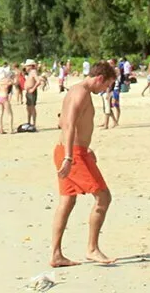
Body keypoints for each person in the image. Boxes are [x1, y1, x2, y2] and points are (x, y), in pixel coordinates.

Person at [51, 60, 118, 268]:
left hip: (73, 150)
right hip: (73, 155)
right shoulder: (80, 92)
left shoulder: (78, 91)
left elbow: (62, 121)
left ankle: (56, 255)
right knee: (103, 197)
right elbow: (69, 124)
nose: (106, 89)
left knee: (67, 201)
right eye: (107, 85)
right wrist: (70, 157)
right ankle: (92, 249)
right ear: (99, 78)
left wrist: (84, 147)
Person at [0, 67, 14, 134]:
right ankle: (10, 129)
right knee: (10, 114)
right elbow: (15, 82)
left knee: (0, 114)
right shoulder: (7, 80)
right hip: (5, 96)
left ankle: (1, 129)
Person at [24, 60, 40, 128]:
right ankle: (29, 122)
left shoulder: (33, 72)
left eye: (27, 66)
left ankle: (33, 123)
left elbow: (38, 81)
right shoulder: (30, 72)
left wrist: (33, 88)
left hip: (31, 92)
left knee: (32, 107)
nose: (26, 67)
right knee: (28, 107)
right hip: (28, 91)